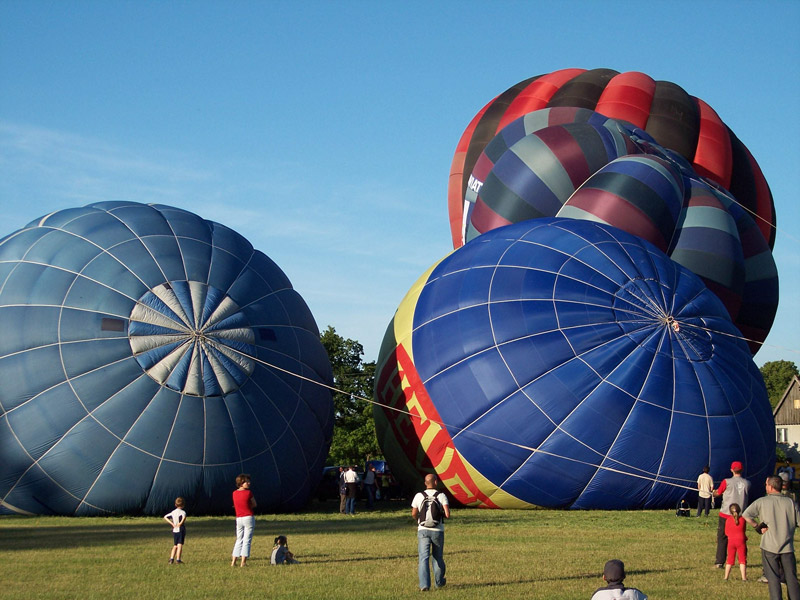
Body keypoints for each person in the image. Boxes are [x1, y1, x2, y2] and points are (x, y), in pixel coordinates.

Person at [743, 475, 800, 600]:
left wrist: (757, 526)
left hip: (769, 546)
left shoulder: (762, 501)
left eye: (766, 485)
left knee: (773, 579)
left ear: (771, 486)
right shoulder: (790, 502)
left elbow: (746, 514)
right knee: (791, 579)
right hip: (787, 547)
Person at [411, 473, 450, 592]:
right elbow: (447, 514)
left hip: (423, 530)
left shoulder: (419, 495)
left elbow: (413, 513)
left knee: (423, 558)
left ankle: (424, 585)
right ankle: (439, 582)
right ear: (436, 482)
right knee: (438, 557)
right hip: (438, 530)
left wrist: (418, 520)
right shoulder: (441, 495)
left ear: (425, 483)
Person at [712, 460, 750, 568]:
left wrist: (714, 493)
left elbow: (718, 493)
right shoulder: (747, 483)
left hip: (726, 515)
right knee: (741, 538)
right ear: (742, 470)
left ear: (731, 470)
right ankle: (743, 561)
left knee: (722, 538)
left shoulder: (726, 482)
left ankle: (720, 562)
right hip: (741, 515)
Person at [231, 473, 257, 567]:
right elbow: (254, 504)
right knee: (247, 540)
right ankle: (243, 562)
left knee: (239, 539)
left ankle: (233, 561)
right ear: (241, 483)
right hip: (248, 517)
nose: (249, 483)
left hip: (239, 518)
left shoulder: (234, 493)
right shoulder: (248, 493)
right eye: (247, 482)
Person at [723, 503, 747, 581]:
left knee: (730, 559)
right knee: (742, 559)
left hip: (731, 541)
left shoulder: (728, 520)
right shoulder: (742, 520)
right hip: (741, 540)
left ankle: (726, 577)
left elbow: (726, 532)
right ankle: (744, 578)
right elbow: (743, 530)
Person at [163, 497, 187, 564]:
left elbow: (165, 517)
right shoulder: (183, 512)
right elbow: (184, 517)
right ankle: (178, 559)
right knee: (180, 545)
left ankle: (171, 559)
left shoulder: (173, 512)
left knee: (175, 545)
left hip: (175, 530)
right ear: (183, 505)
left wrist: (172, 523)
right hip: (180, 529)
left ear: (175, 505)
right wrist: (180, 523)